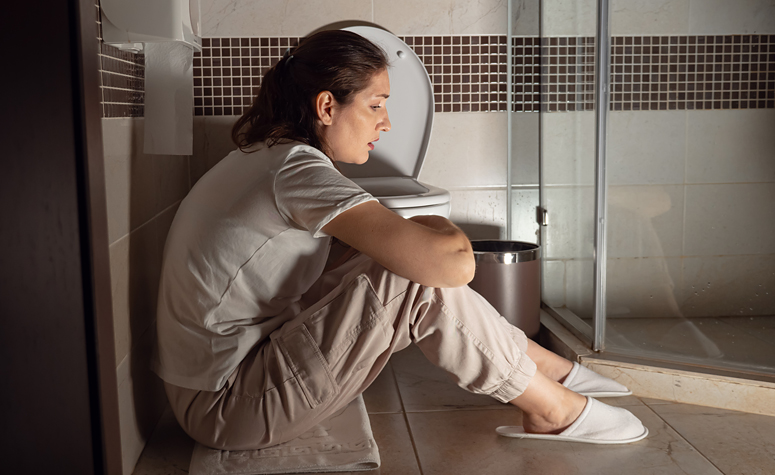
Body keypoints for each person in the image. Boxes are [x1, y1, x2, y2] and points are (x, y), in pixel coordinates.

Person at [152, 29, 647, 451]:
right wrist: (434, 225)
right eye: (375, 105)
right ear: (327, 106)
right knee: (417, 278)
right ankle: (551, 407)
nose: (385, 123)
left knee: (399, 265)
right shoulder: (296, 169)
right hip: (227, 405)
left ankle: (548, 369)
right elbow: (454, 267)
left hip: (218, 383)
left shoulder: (267, 155)